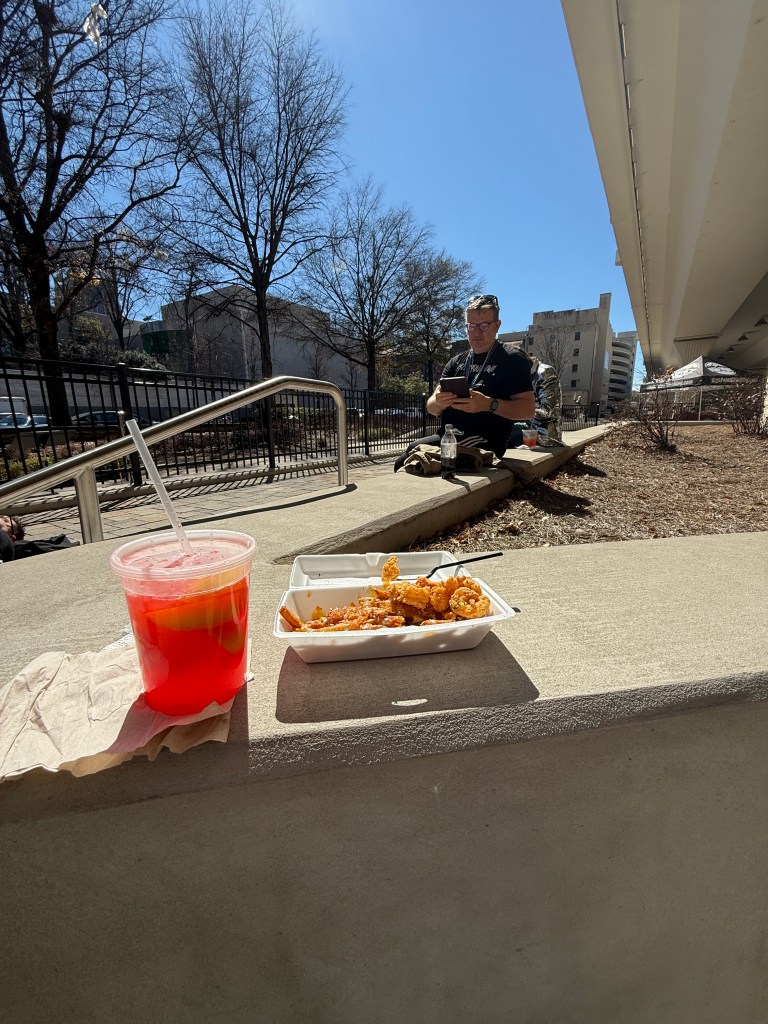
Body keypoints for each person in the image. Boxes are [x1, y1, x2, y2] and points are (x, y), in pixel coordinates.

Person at [394, 294, 535, 471]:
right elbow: (431, 408)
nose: (476, 332)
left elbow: (528, 410)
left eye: (484, 325)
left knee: (415, 462)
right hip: (449, 435)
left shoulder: (512, 359)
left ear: (497, 325)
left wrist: (488, 404)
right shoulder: (456, 362)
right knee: (404, 458)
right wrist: (439, 402)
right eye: (471, 326)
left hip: (484, 441)